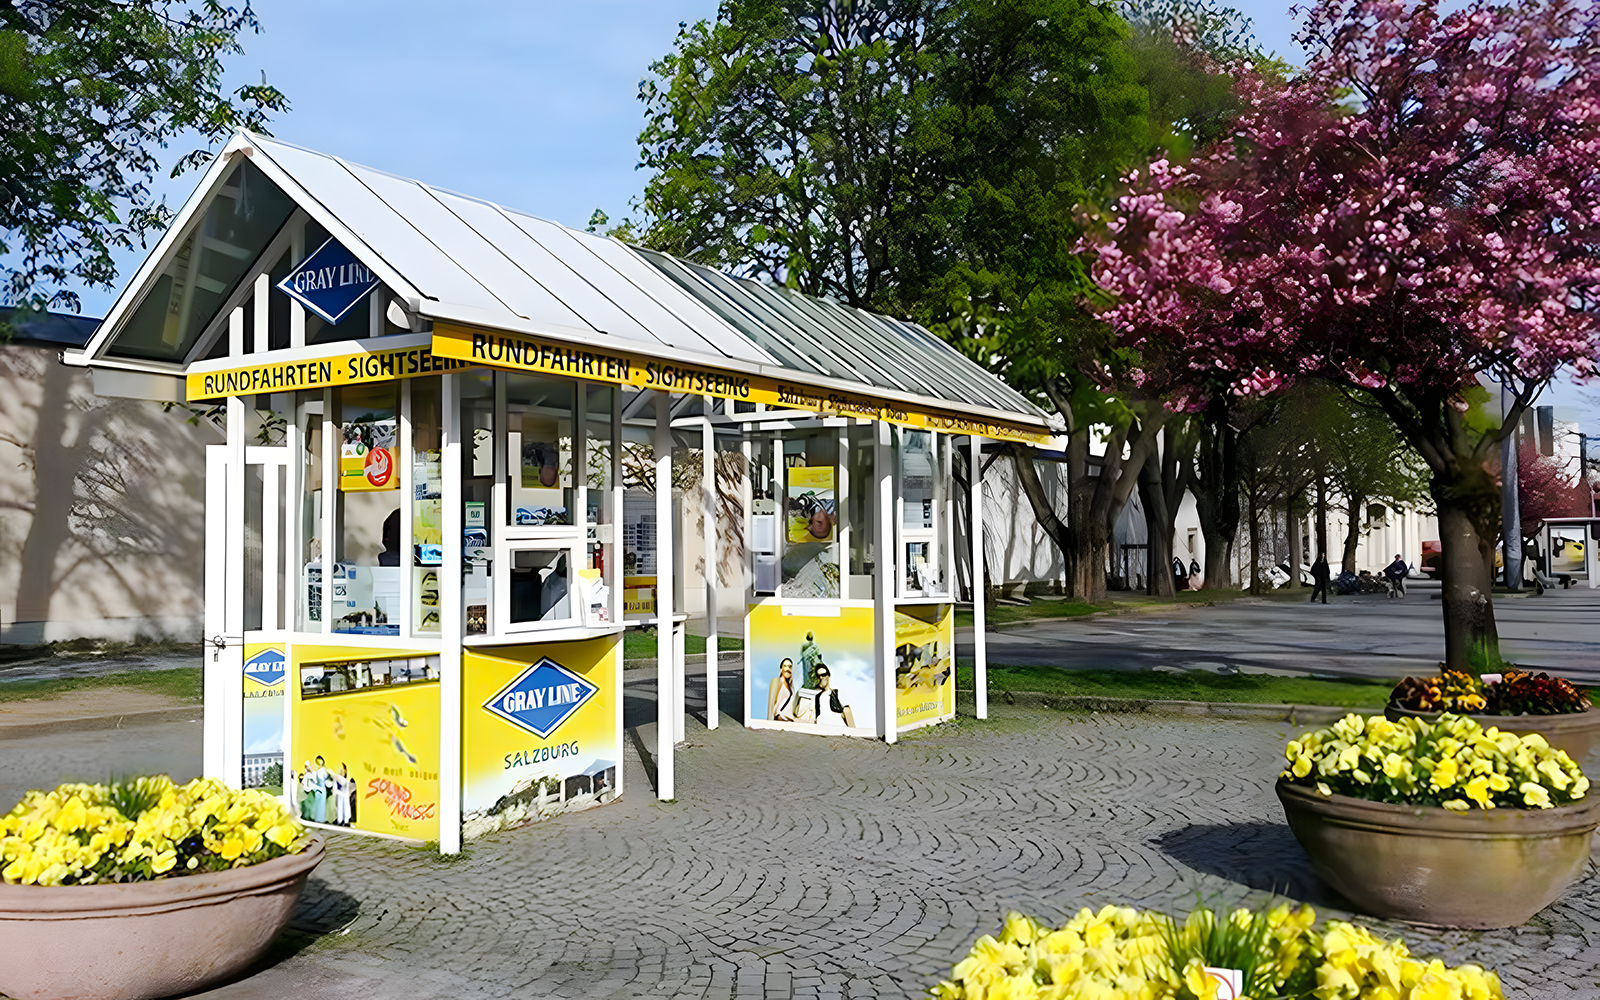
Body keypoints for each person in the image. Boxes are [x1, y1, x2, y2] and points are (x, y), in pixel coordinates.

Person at [812, 664, 856, 728]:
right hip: (822, 730)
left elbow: (847, 711)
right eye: (818, 676)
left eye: (823, 675)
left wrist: (853, 732)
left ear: (828, 676)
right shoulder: (816, 698)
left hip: (839, 729)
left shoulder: (837, 693)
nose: (821, 678)